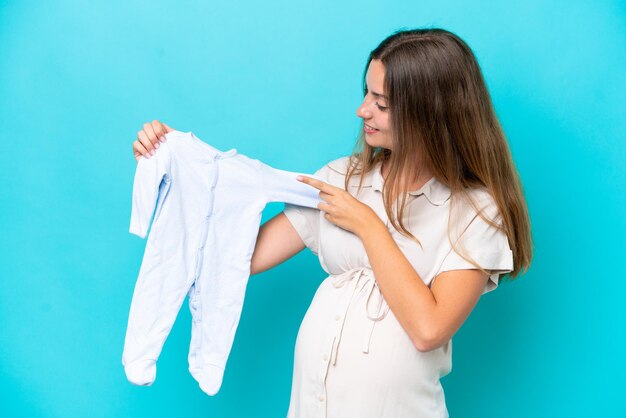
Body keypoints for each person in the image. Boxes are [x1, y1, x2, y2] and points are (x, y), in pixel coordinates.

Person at [131, 28, 532, 418]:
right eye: (366, 94)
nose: (363, 111)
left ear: (429, 112)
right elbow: (237, 257)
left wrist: (368, 225)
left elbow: (429, 329)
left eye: (382, 102)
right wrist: (178, 170)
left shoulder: (475, 211)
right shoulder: (342, 179)